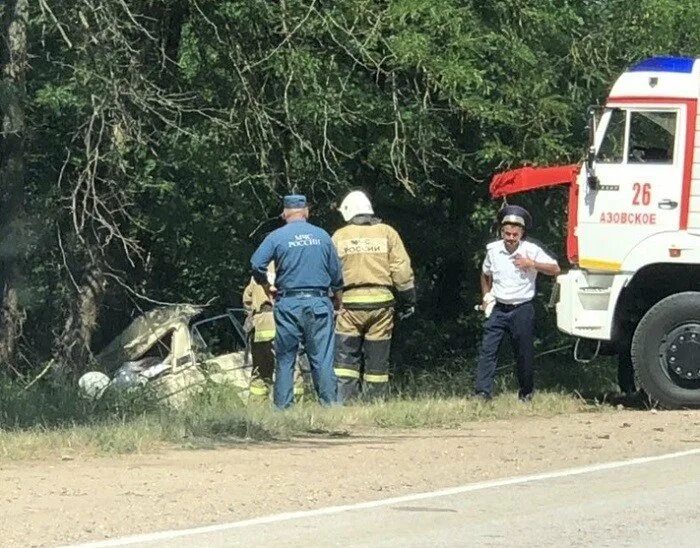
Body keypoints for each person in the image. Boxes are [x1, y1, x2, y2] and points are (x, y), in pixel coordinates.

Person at [250, 194, 343, 409]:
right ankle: (330, 407)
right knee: (322, 358)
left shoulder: (276, 237)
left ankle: (283, 409)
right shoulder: (322, 236)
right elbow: (337, 276)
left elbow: (256, 264)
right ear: (306, 212)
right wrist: (338, 301)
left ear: (284, 213)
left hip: (288, 303)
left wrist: (266, 286)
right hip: (319, 303)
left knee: (285, 359)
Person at [332, 190, 415, 401]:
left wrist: (333, 299)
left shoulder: (339, 236)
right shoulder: (387, 233)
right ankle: (375, 402)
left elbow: (330, 271)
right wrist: (408, 299)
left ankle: (345, 401)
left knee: (345, 361)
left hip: (349, 305)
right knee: (377, 359)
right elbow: (401, 269)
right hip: (381, 304)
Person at [474, 205, 561, 401]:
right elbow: (485, 273)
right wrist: (486, 296)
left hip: (521, 307)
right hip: (499, 307)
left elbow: (555, 268)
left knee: (524, 353)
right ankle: (482, 392)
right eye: (507, 233)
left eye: (515, 234)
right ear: (501, 232)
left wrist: (532, 264)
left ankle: (526, 393)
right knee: (488, 350)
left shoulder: (531, 250)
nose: (511, 238)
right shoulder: (493, 250)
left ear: (521, 233)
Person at [242, 265, 308, 402]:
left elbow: (247, 299)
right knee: (290, 367)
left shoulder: (259, 269)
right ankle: (293, 409)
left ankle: (256, 411)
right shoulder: (289, 265)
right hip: (281, 322)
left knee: (260, 371)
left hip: (259, 326)